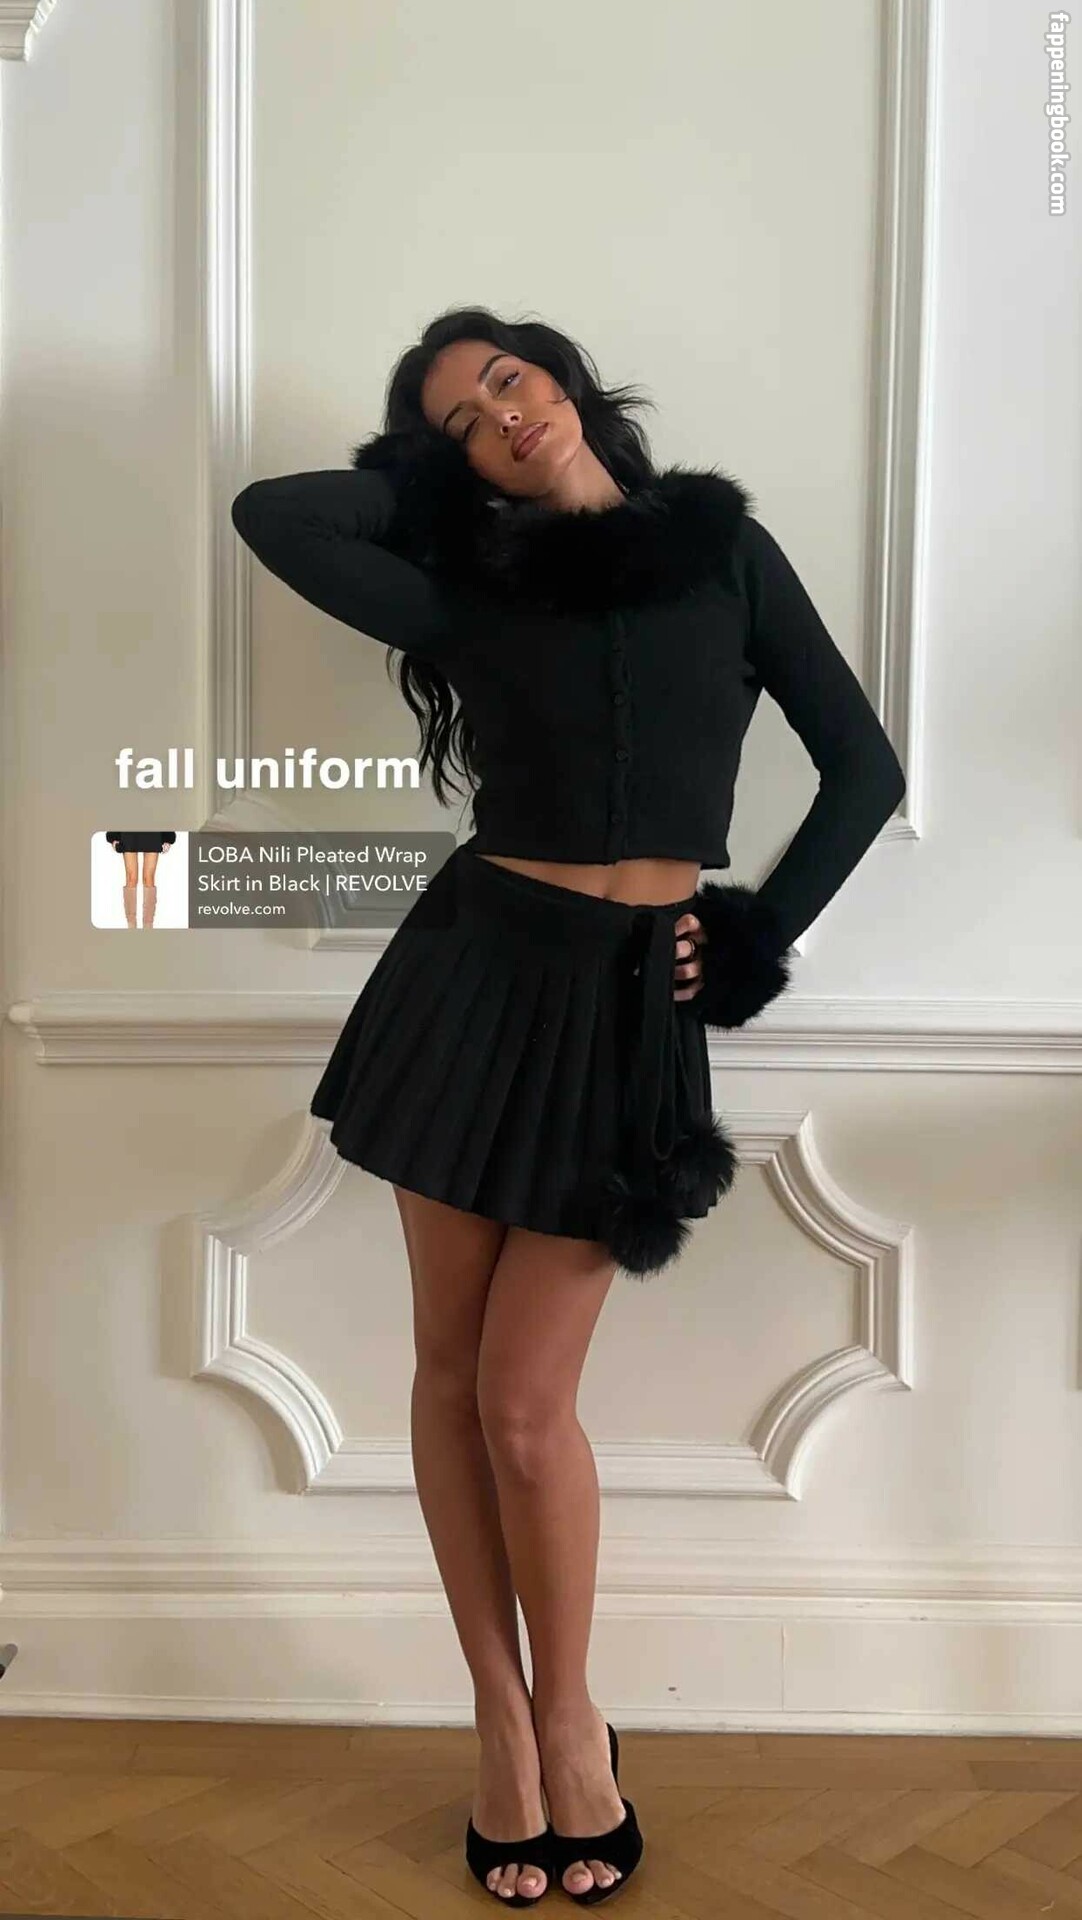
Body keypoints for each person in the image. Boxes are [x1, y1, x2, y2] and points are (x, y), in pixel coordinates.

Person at [230, 307, 906, 1907]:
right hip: (471, 982)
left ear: (566, 379)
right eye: (461, 421)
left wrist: (754, 932)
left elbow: (862, 768)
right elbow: (275, 514)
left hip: (628, 1013)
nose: (501, 417)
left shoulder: (720, 553)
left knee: (525, 1408)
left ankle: (572, 1713)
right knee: (449, 1375)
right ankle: (499, 1717)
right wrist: (434, 485)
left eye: (507, 381)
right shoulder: (469, 579)